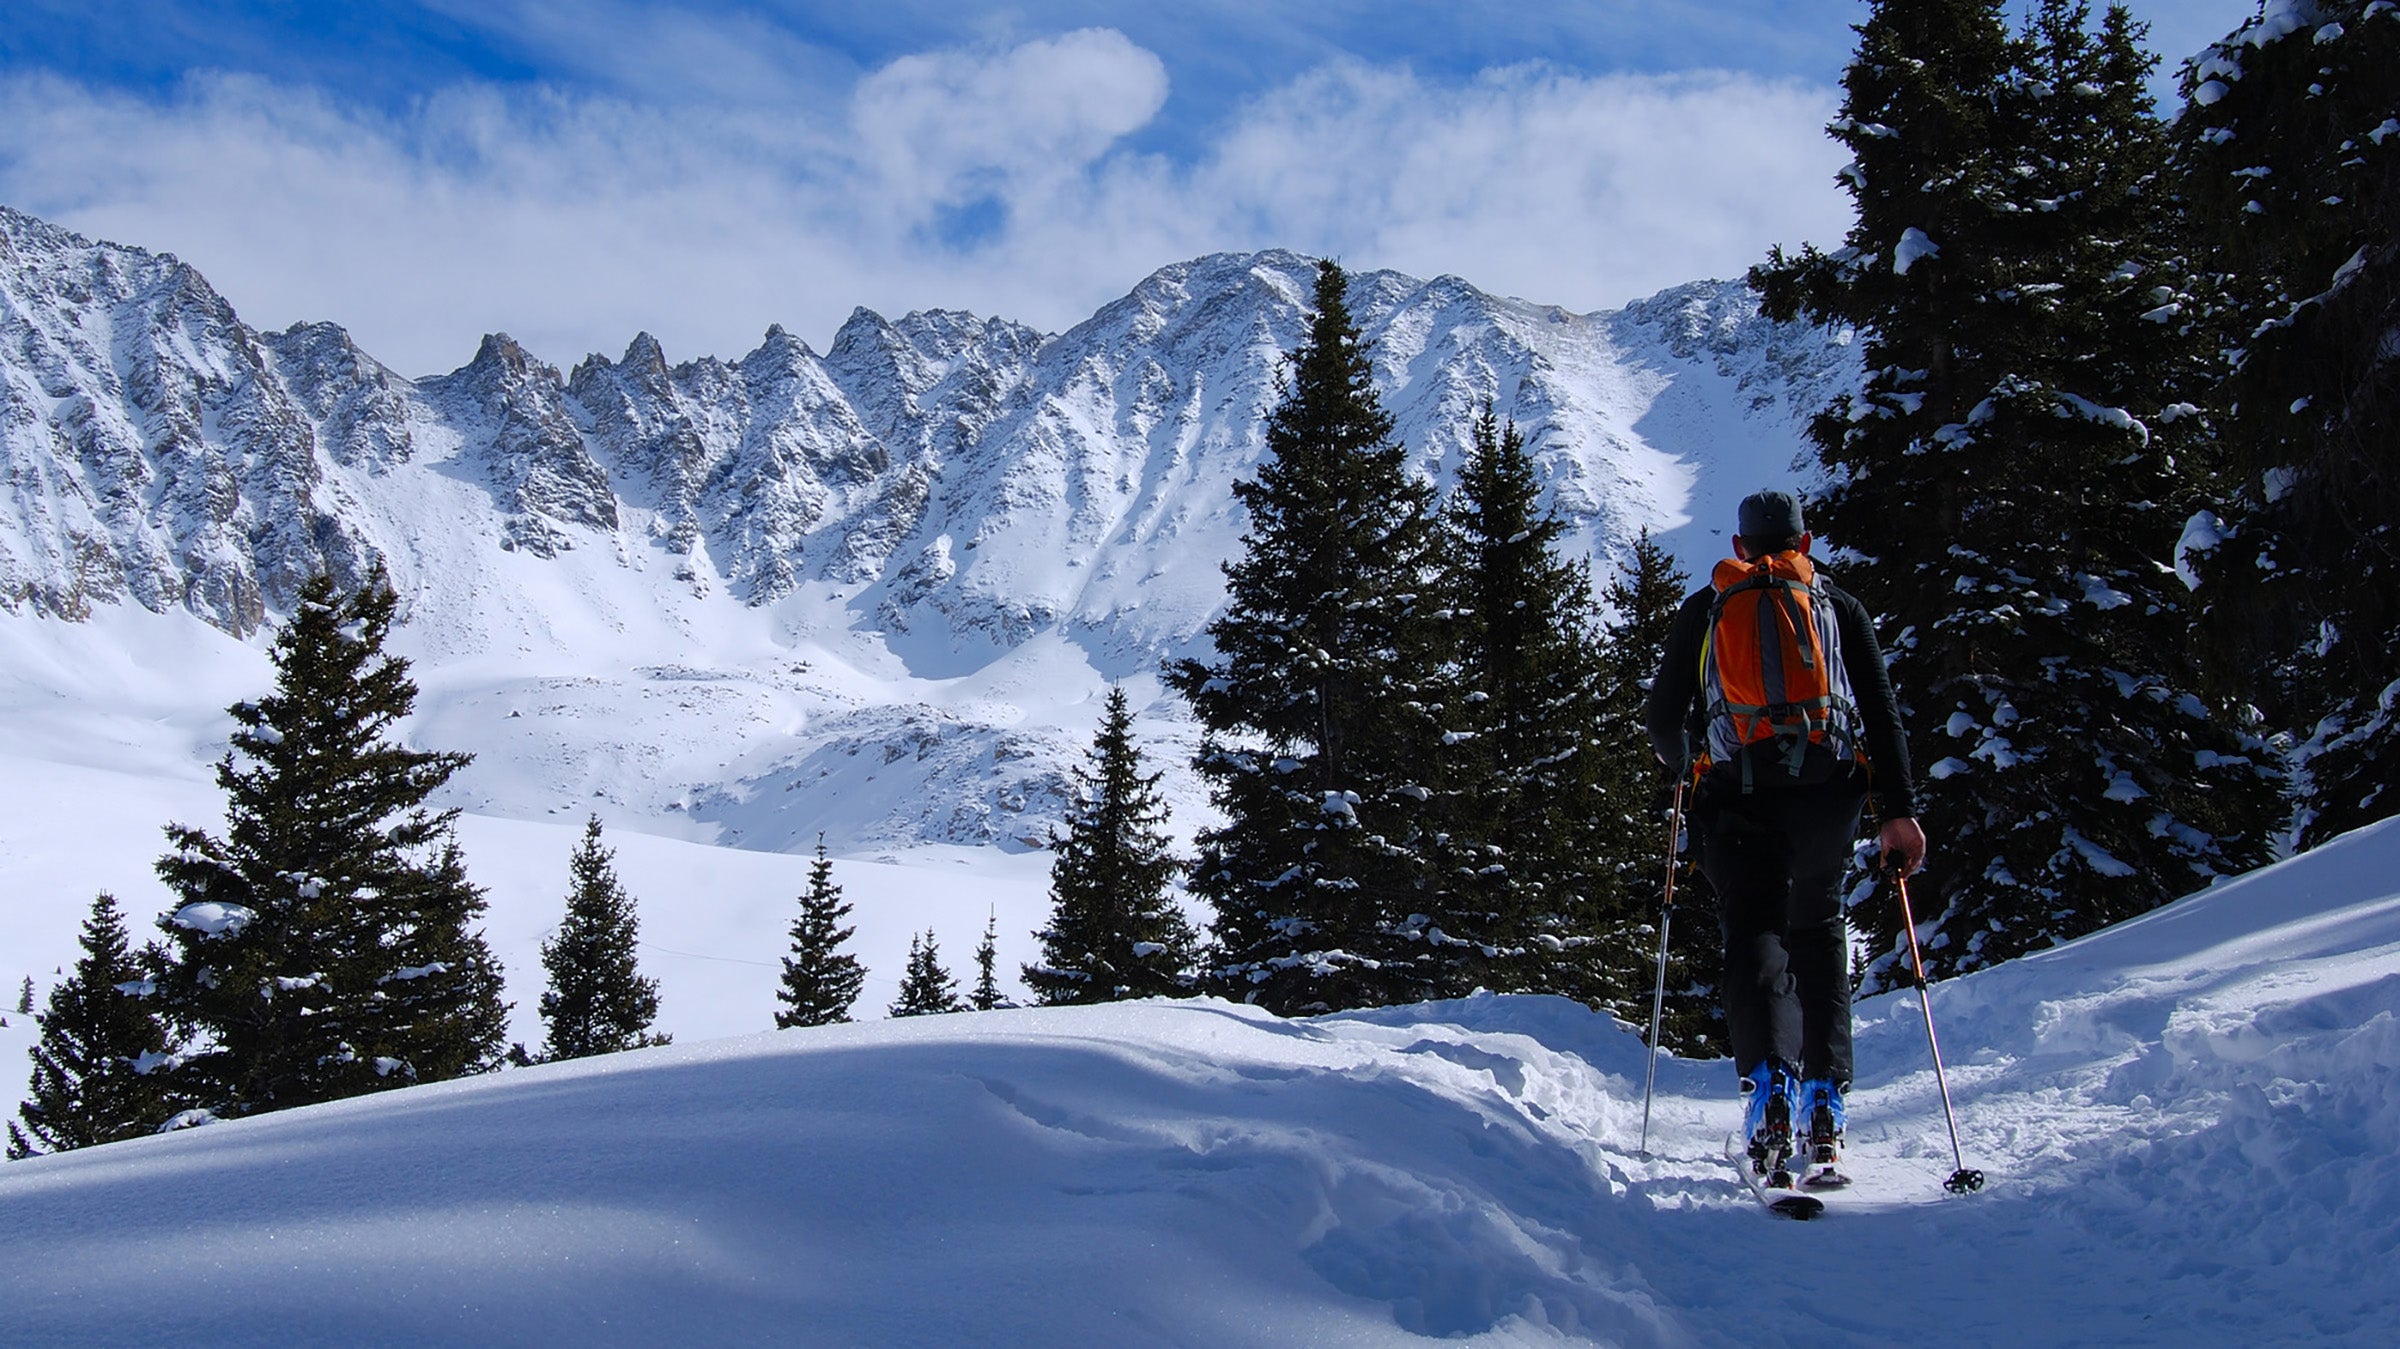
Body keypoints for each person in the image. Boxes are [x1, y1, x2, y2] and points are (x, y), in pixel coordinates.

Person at [1643, 489, 1927, 1178]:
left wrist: (1689, 768)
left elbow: (1662, 719)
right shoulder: (1836, 605)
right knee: (1818, 929)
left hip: (1737, 795)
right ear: (1804, 541)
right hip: (1827, 795)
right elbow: (1881, 710)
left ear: (1739, 546)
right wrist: (1899, 809)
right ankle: (1825, 1103)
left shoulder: (1709, 607)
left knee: (1755, 930)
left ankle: (1771, 1085)